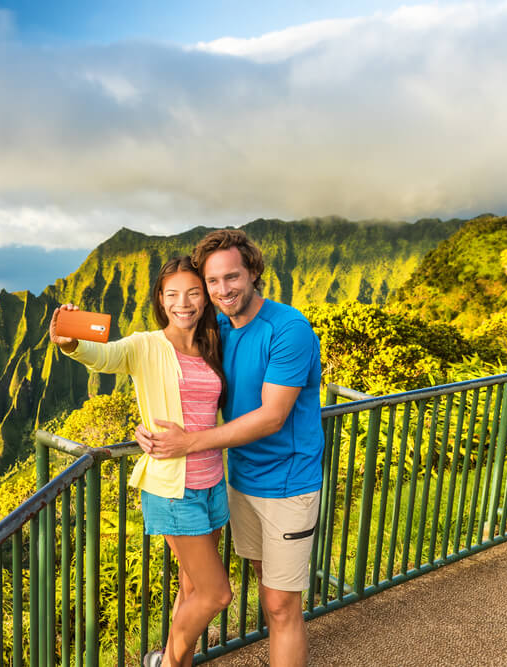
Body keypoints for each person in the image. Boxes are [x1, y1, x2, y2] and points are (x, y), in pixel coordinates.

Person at [136, 229, 323, 667]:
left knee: (280, 604)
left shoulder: (287, 329)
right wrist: (146, 428)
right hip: (238, 480)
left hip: (288, 482)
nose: (223, 291)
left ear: (253, 272)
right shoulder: (216, 327)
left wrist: (188, 443)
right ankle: (171, 661)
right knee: (230, 583)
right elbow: (173, 375)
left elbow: (272, 416)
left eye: (232, 277)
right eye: (213, 283)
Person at [49, 256, 232, 667]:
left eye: (193, 293)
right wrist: (71, 342)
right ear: (161, 301)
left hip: (213, 484)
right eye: (172, 295)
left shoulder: (213, 343)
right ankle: (167, 663)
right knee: (217, 593)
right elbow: (105, 356)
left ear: (204, 298)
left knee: (191, 588)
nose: (183, 303)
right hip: (172, 488)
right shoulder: (145, 344)